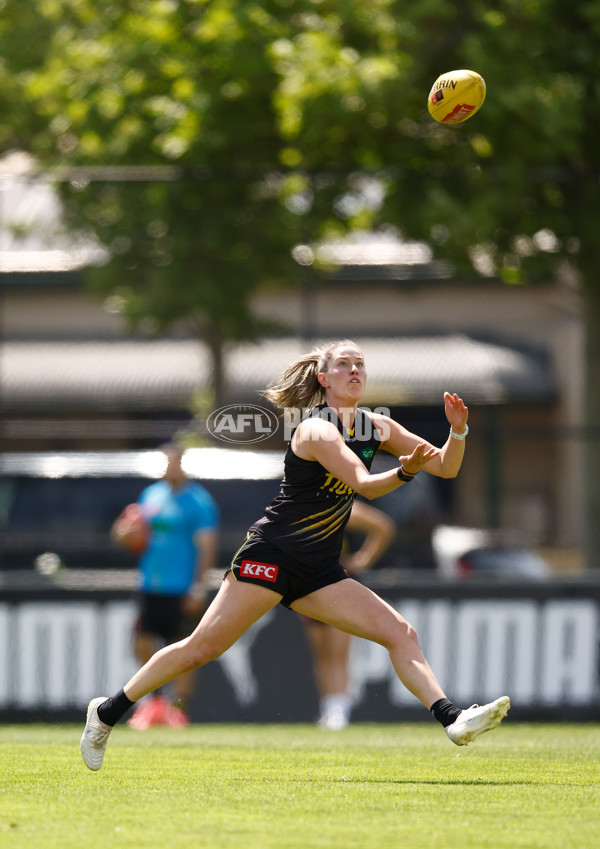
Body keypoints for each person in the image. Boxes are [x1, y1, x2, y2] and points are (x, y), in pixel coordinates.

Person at [81, 340, 509, 770]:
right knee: (200, 649)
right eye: (344, 364)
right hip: (271, 555)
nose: (355, 370)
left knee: (401, 632)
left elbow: (447, 467)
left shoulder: (378, 426)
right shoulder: (316, 429)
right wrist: (406, 470)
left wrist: (458, 432)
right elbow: (363, 482)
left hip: (318, 569)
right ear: (324, 379)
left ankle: (452, 718)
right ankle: (107, 713)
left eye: (360, 363)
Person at [110, 443, 219, 728]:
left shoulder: (198, 502)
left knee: (182, 648)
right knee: (142, 642)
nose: (169, 467)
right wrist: (123, 534)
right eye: (165, 462)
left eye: (173, 462)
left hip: (181, 586)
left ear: (183, 464)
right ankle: (155, 702)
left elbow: (207, 548)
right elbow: (130, 534)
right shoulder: (151, 495)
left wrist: (198, 587)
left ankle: (179, 708)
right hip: (150, 584)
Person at [302, 499, 396, 730]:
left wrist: (363, 560)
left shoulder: (342, 507)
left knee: (337, 652)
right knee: (321, 652)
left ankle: (339, 709)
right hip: (309, 586)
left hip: (338, 583)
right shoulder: (301, 506)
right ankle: (328, 707)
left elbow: (384, 527)